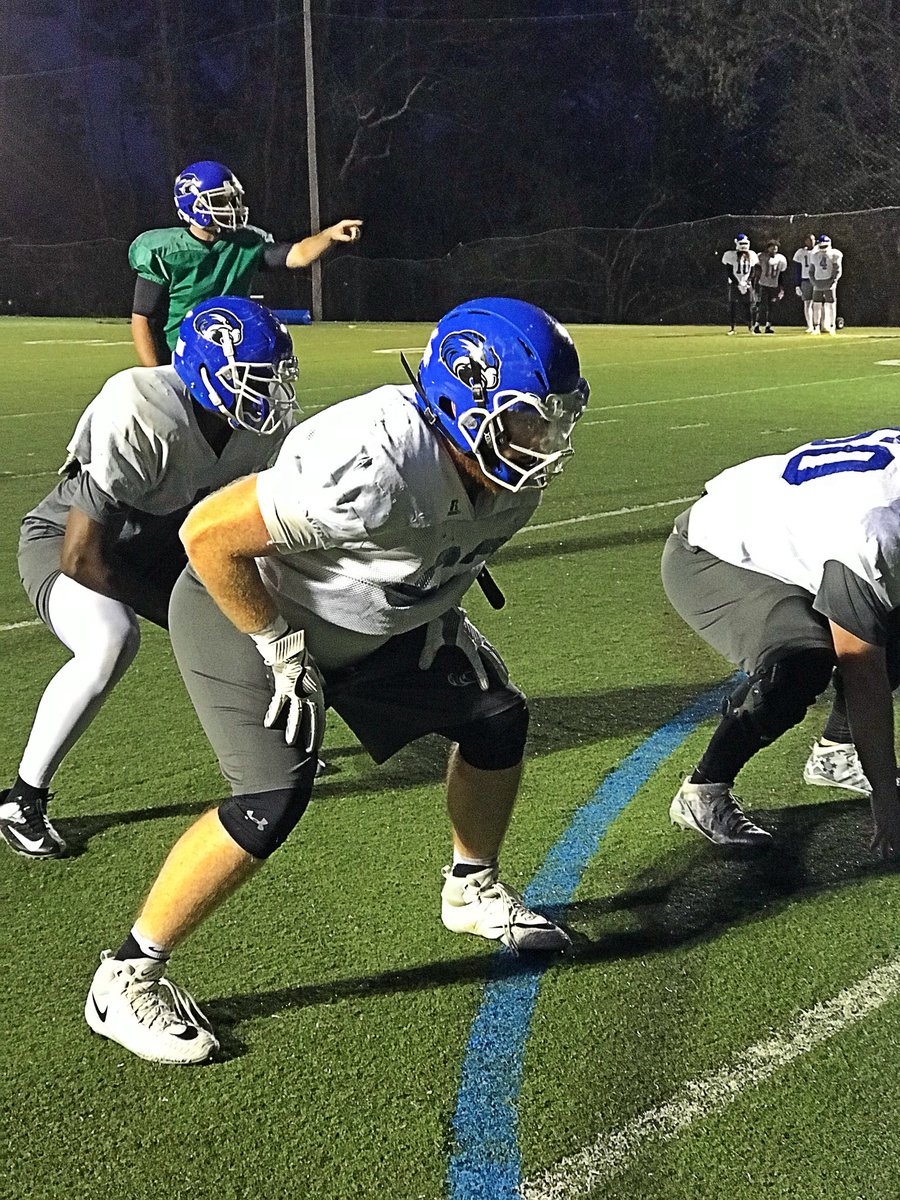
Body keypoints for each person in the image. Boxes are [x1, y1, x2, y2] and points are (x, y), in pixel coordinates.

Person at [84, 297, 590, 1065]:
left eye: (555, 420)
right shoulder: (372, 462)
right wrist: (280, 643)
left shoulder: (507, 474)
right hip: (247, 605)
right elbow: (208, 537)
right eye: (529, 421)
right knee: (270, 797)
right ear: (462, 399)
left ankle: (470, 886)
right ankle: (125, 976)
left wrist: (447, 616)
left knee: (495, 717)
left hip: (373, 620)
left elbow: (450, 547)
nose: (544, 442)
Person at [0, 298, 298, 859]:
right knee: (111, 639)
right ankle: (21, 800)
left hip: (166, 541)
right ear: (207, 374)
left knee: (266, 605)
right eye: (255, 381)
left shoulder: (254, 427)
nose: (271, 395)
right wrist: (182, 610)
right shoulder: (141, 408)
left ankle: (270, 748)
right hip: (72, 542)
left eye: (276, 378)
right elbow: (81, 556)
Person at [661, 427, 900, 855]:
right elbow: (862, 670)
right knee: (799, 662)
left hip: (804, 538)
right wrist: (887, 800)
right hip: (716, 556)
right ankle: (703, 791)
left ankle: (838, 753)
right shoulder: (875, 533)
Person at [129, 161, 363, 365]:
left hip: (234, 354)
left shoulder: (246, 242)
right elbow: (142, 319)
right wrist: (157, 374)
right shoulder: (164, 250)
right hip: (181, 357)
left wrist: (328, 235)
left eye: (232, 199)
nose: (231, 208)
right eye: (220, 200)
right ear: (193, 205)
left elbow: (299, 255)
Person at [721, 234, 759, 335]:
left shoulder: (752, 255)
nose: (743, 246)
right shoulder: (730, 255)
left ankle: (750, 328)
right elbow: (729, 272)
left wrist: (747, 282)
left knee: (749, 306)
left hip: (747, 284)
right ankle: (732, 328)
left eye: (745, 243)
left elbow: (752, 271)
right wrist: (738, 283)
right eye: (741, 243)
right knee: (733, 306)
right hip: (735, 283)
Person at [808, 234, 843, 335]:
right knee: (816, 305)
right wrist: (814, 282)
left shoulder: (835, 254)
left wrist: (833, 281)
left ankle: (832, 325)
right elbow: (811, 270)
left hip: (829, 281)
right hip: (818, 281)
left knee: (831, 304)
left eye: (824, 246)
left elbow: (837, 270)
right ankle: (816, 326)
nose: (823, 249)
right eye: (821, 246)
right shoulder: (814, 255)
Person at [753, 240, 787, 334]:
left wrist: (781, 289)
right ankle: (757, 325)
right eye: (772, 246)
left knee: (771, 307)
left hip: (774, 285)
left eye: (776, 246)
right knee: (761, 306)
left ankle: (768, 325)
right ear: (768, 248)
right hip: (763, 284)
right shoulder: (761, 256)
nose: (774, 248)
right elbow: (757, 271)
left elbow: (781, 275)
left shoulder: (781, 259)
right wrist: (755, 285)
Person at [792, 233, 816, 334]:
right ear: (805, 241)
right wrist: (797, 284)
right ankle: (810, 325)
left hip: (818, 280)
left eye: (813, 240)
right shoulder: (800, 252)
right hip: (805, 280)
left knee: (820, 303)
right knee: (807, 303)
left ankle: (821, 324)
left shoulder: (818, 251)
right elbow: (797, 269)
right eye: (809, 240)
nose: (812, 242)